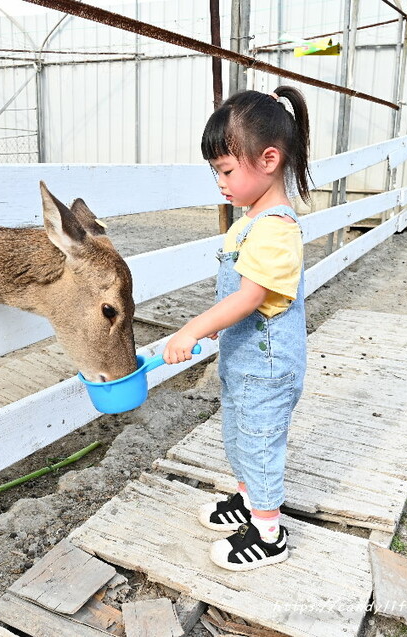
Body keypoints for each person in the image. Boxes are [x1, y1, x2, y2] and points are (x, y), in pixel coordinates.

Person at [162, 86, 311, 571]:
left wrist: (191, 330)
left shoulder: (275, 228)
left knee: (260, 441)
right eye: (217, 172)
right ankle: (248, 504)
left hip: (266, 369)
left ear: (268, 159)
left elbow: (247, 298)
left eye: (225, 170)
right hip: (245, 362)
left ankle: (269, 533)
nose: (220, 182)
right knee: (240, 435)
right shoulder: (252, 221)